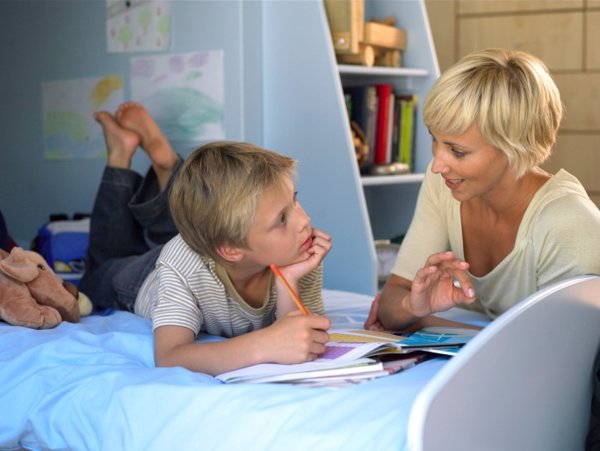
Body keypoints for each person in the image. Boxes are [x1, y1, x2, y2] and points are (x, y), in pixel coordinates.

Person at [80, 102, 332, 376]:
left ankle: (167, 166)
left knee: (203, 221)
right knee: (101, 269)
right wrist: (262, 345)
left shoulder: (296, 252)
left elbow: (302, 339)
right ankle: (120, 155)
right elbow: (169, 356)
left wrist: (288, 282)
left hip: (208, 252)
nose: (304, 220)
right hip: (145, 279)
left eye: (294, 200)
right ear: (232, 250)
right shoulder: (181, 265)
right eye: (282, 219)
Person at [365, 48, 600, 332]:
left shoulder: (568, 222)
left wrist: (428, 323)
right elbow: (391, 301)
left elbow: (562, 356)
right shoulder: (443, 185)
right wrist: (413, 307)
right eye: (434, 139)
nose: (437, 164)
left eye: (458, 151)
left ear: (515, 148)